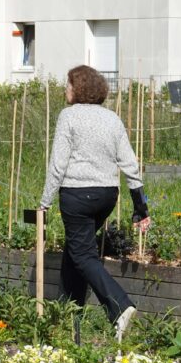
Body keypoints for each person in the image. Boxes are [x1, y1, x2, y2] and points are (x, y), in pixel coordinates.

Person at [39, 65, 150, 342]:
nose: (66, 90)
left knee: (83, 255)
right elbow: (130, 163)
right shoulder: (112, 119)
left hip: (76, 194)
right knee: (75, 253)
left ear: (78, 89)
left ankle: (120, 306)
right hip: (106, 196)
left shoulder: (68, 116)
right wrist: (140, 206)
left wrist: (45, 202)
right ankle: (67, 323)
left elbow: (58, 164)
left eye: (68, 85)